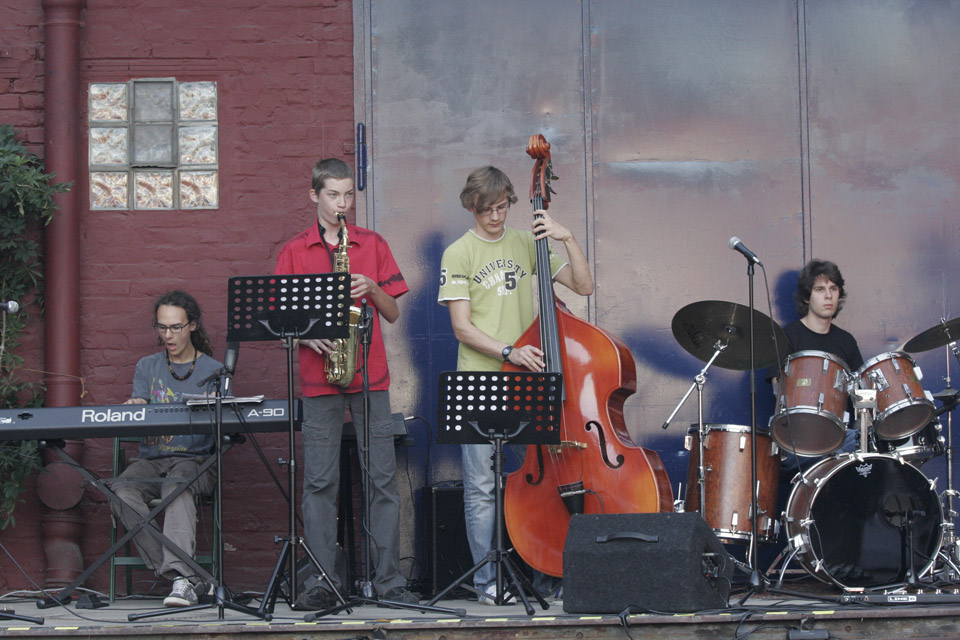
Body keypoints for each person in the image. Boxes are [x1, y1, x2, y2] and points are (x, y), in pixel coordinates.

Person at [437, 165, 594, 604]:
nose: (495, 217)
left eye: (502, 207)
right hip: (480, 380)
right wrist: (510, 351)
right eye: (486, 209)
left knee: (541, 481)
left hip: (526, 382)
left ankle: (547, 575)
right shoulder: (458, 253)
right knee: (482, 487)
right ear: (472, 207)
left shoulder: (528, 243)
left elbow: (583, 285)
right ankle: (488, 583)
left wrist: (566, 237)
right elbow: (462, 328)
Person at [273, 157, 416, 609]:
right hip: (321, 379)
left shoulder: (372, 243)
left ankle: (389, 581)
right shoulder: (294, 251)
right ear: (314, 195)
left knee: (383, 481)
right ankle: (321, 581)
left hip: (370, 376)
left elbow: (392, 312)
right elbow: (277, 322)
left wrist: (372, 287)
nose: (342, 203)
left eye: (349, 194)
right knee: (319, 484)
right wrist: (305, 336)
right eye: (333, 195)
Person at [112, 290, 222, 608]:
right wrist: (136, 406)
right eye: (162, 327)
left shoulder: (214, 370)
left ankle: (182, 577)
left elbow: (224, 427)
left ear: (192, 325)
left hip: (195, 459)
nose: (168, 335)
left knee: (177, 486)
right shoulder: (147, 366)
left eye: (175, 327)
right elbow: (139, 412)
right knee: (121, 490)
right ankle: (182, 576)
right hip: (152, 458)